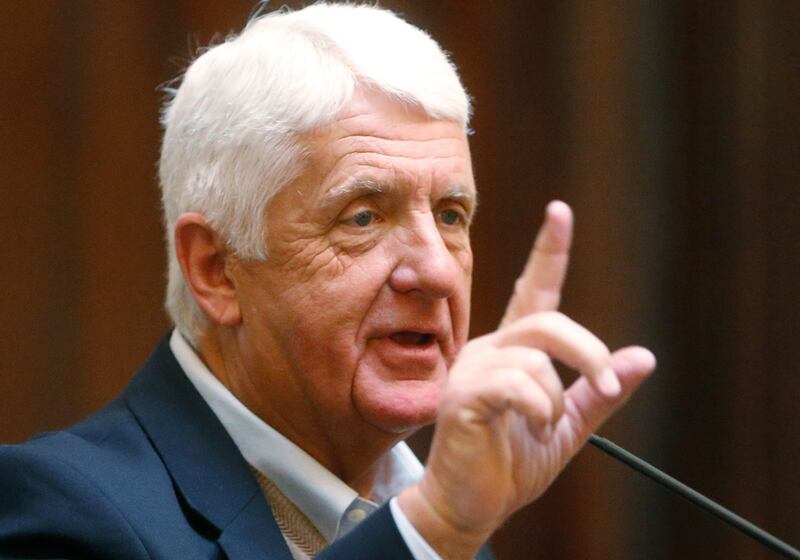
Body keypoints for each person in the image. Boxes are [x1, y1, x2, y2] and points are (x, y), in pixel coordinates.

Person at [0, 3, 655, 559]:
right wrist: (431, 530)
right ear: (216, 270)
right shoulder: (64, 516)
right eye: (363, 217)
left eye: (451, 215)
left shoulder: (439, 519)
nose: (435, 271)